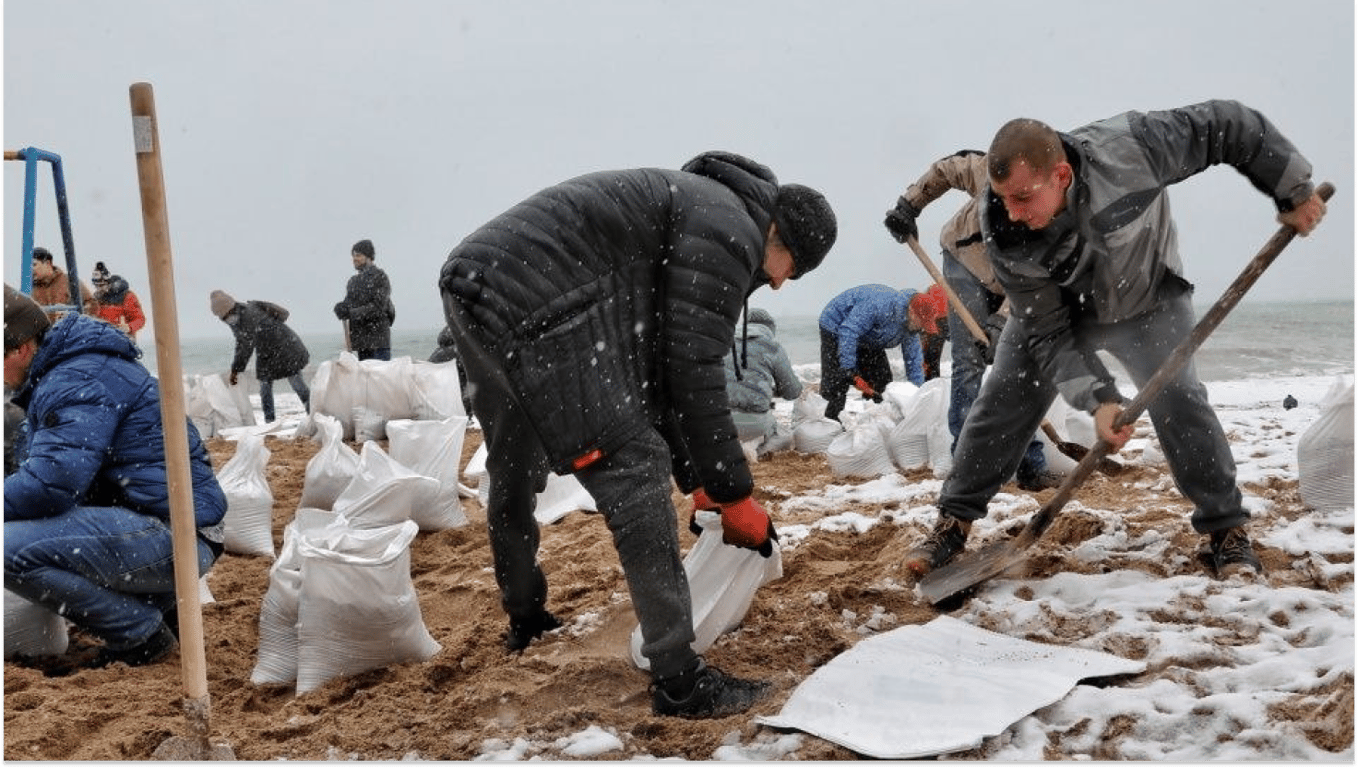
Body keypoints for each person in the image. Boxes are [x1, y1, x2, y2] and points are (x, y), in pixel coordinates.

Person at [439, 150, 836, 719]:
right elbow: (693, 374)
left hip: (477, 280)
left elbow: (657, 376)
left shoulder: (703, 207)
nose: (776, 286)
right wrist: (734, 495)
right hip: (540, 296)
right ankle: (679, 680)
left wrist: (698, 481)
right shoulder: (732, 230)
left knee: (514, 460)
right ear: (781, 239)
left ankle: (526, 617)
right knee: (634, 467)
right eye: (789, 271)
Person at [902, 100, 1327, 581]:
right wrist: (1101, 399)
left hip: (1148, 301)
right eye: (1003, 198)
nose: (1011, 213)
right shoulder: (1001, 229)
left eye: (1022, 198)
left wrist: (1291, 190)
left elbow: (1231, 125)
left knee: (1182, 398)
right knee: (1003, 398)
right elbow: (1047, 331)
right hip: (1059, 315)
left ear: (1060, 175)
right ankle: (952, 523)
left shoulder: (1133, 149)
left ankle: (1225, 530)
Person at [2, 283, 227, 669]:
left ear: (20, 348)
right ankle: (160, 613)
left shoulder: (74, 381)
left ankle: (139, 635)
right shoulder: (74, 370)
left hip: (176, 535)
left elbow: (51, 486)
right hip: (171, 524)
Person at [885, 152, 1059, 491]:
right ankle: (967, 466)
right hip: (965, 263)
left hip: (1014, 283)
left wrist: (1002, 319)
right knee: (968, 364)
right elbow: (947, 169)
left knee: (1019, 368)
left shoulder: (1054, 222)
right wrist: (910, 203)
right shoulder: (995, 171)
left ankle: (1031, 467)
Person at [817, 283, 945, 422]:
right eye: (922, 323)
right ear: (912, 312)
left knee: (881, 381)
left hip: (869, 337)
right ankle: (829, 423)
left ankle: (873, 423)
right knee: (837, 383)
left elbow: (914, 362)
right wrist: (848, 369)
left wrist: (917, 397)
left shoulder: (911, 327)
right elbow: (849, 331)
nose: (923, 329)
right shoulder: (878, 306)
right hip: (837, 326)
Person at [209, 290, 311, 423]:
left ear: (232, 309)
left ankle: (313, 412)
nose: (225, 320)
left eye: (225, 316)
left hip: (285, 347)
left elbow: (246, 346)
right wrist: (236, 369)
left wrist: (236, 370)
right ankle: (270, 421)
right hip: (266, 352)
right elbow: (241, 343)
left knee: (296, 383)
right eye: (222, 318)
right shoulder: (236, 319)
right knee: (265, 387)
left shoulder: (249, 315)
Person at [723, 307, 803, 456]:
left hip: (722, 420)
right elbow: (792, 392)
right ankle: (757, 450)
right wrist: (770, 390)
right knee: (785, 437)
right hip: (755, 422)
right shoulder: (773, 348)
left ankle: (734, 446)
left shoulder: (725, 343)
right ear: (770, 328)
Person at [333, 238, 395, 361]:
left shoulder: (380, 277)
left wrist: (351, 313)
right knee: (365, 380)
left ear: (369, 257)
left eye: (359, 255)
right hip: (361, 342)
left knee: (381, 378)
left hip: (378, 341)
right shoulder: (353, 282)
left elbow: (378, 307)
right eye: (353, 256)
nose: (354, 259)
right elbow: (349, 304)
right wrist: (341, 308)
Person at [30, 246, 97, 321]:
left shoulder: (68, 281)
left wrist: (74, 317)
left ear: (47, 263)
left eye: (34, 264)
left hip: (68, 330)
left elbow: (92, 305)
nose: (30, 269)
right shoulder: (29, 289)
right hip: (43, 332)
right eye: (28, 266)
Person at [90, 261, 147, 340]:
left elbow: (140, 319)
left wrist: (129, 327)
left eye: (101, 285)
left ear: (109, 283)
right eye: (96, 285)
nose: (98, 289)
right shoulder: (96, 299)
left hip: (123, 340)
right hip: (102, 341)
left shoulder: (126, 297)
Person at [428, 323, 473, 418]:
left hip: (435, 397)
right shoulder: (460, 352)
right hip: (453, 398)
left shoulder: (437, 353)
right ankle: (466, 415)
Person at [917, 283, 949, 381]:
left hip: (937, 321)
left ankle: (931, 382)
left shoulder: (930, 292)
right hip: (952, 317)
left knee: (931, 361)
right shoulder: (942, 287)